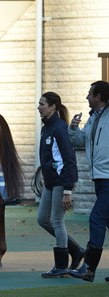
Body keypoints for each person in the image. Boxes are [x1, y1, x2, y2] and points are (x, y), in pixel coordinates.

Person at [37, 91, 84, 278]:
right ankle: (77, 250)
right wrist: (44, 174)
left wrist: (67, 190)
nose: (39, 107)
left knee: (57, 221)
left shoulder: (59, 128)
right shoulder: (46, 127)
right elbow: (50, 157)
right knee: (42, 219)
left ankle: (61, 266)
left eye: (42, 104)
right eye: (39, 104)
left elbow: (69, 160)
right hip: (50, 182)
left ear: (53, 107)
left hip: (61, 182)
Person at [68, 80, 109, 282]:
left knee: (96, 218)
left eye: (90, 94)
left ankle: (89, 268)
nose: (87, 97)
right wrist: (74, 129)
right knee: (106, 220)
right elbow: (80, 142)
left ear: (98, 97)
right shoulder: (93, 118)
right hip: (100, 177)